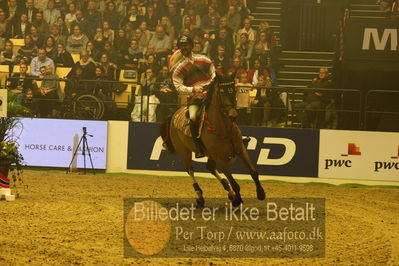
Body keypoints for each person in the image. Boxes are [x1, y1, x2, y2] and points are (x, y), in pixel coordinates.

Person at [170, 35, 216, 158]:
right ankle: (199, 147)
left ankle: (239, 138)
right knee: (193, 117)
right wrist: (193, 89)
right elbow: (178, 87)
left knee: (228, 109)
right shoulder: (178, 68)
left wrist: (210, 84)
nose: (184, 47)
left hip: (211, 95)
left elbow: (213, 72)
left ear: (192, 46)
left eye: (186, 45)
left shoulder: (204, 59)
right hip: (194, 99)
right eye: (181, 46)